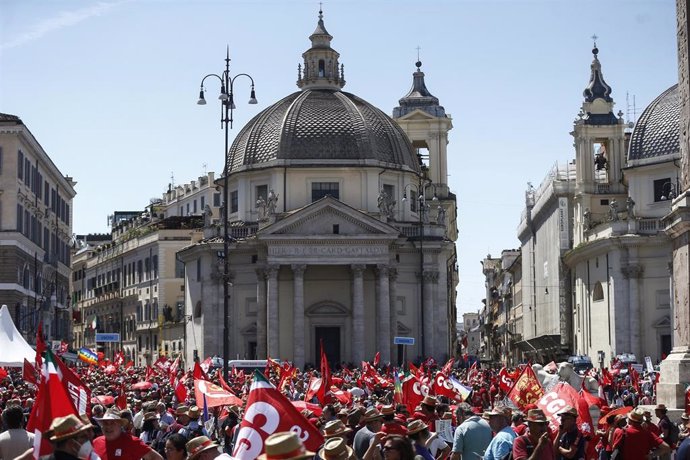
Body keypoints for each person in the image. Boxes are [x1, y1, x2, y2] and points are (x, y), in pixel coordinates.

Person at [93, 408, 163, 460]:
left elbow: (156, 458)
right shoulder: (95, 442)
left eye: (112, 423)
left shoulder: (132, 442)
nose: (108, 426)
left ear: (120, 425)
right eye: (105, 423)